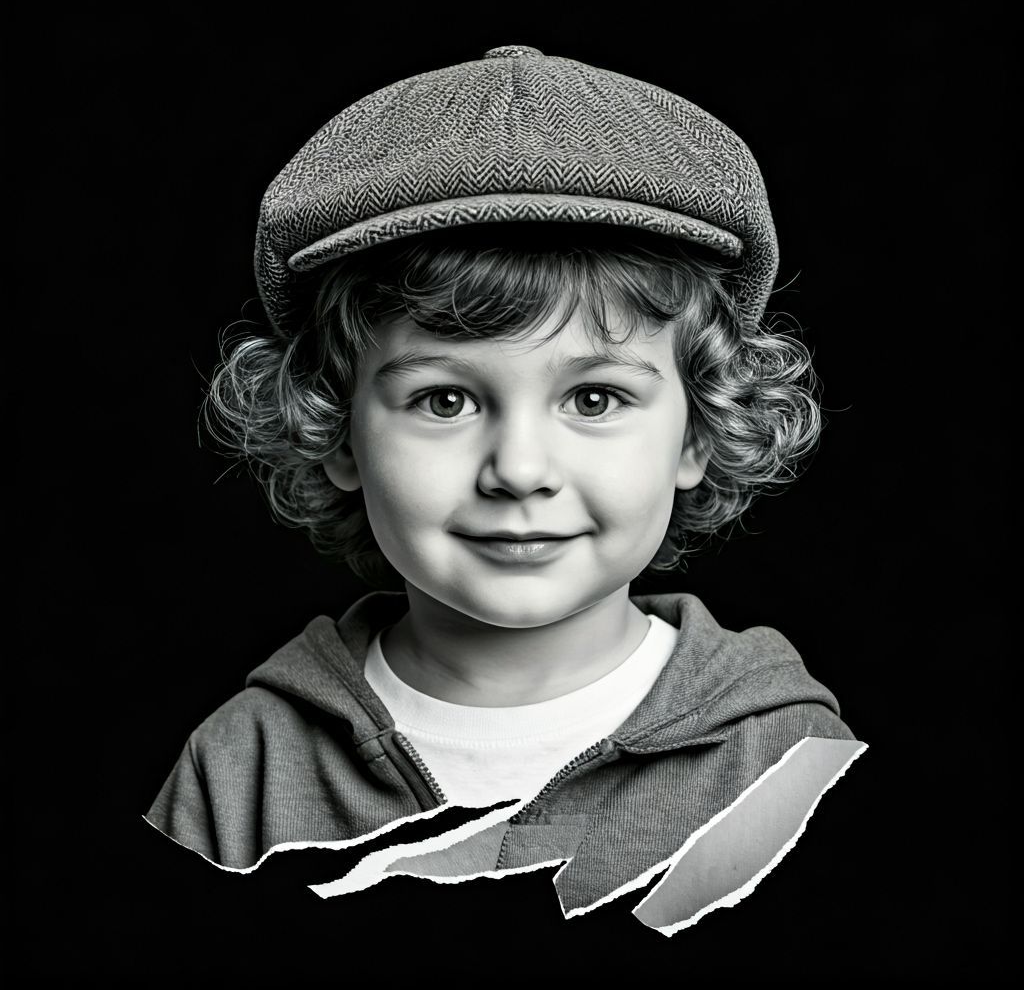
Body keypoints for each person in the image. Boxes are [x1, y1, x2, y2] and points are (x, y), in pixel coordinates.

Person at [145, 45, 866, 933]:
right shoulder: (243, 769)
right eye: (444, 400)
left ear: (698, 431)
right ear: (333, 427)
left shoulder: (788, 761)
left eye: (594, 399)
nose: (520, 470)